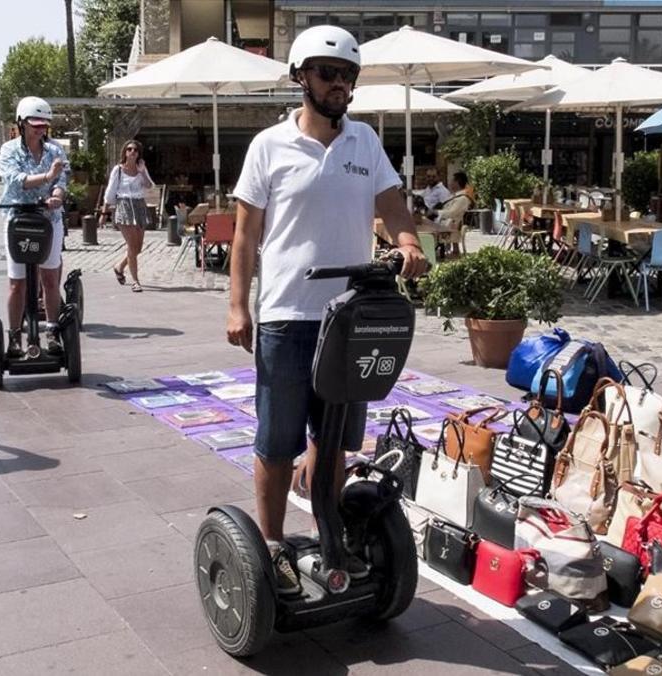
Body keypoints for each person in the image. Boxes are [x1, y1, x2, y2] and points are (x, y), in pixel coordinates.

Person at [225, 25, 427, 596]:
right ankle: (270, 545)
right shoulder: (269, 146)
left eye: (347, 76)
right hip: (288, 313)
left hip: (351, 316)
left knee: (336, 439)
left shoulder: (364, 142)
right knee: (278, 439)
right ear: (301, 77)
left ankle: (329, 535)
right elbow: (245, 238)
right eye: (328, 73)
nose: (340, 84)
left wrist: (408, 242)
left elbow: (392, 205)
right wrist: (238, 304)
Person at [0, 96, 70, 356]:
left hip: (49, 220)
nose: (40, 129)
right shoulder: (9, 150)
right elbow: (14, 181)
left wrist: (57, 195)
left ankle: (51, 330)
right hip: (18, 219)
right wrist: (47, 177)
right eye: (35, 124)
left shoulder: (55, 151)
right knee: (18, 283)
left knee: (50, 278)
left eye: (44, 125)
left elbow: (63, 178)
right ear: (22, 123)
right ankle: (15, 335)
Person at [105, 139, 154, 292]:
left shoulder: (141, 168)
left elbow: (149, 185)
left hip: (139, 206)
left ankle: (119, 267)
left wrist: (142, 172)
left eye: (135, 150)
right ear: (125, 152)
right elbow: (110, 191)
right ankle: (135, 281)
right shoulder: (118, 170)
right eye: (129, 149)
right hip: (124, 206)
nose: (132, 152)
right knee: (132, 246)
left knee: (138, 248)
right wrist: (104, 211)